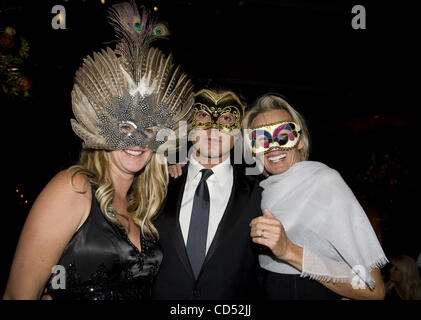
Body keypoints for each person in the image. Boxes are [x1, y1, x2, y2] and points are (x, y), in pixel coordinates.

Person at [3, 2, 194, 300]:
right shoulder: (74, 188)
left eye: (148, 130)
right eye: (126, 127)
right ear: (100, 129)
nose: (137, 141)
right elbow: (18, 295)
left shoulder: (142, 206)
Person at [243, 93, 388, 300]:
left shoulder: (324, 182)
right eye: (262, 139)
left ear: (300, 141)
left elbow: (373, 289)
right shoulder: (264, 191)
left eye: (283, 135)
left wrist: (288, 250)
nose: (273, 146)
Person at [152, 88, 262, 299]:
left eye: (227, 118)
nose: (213, 129)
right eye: (203, 115)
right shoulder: (157, 182)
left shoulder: (260, 194)